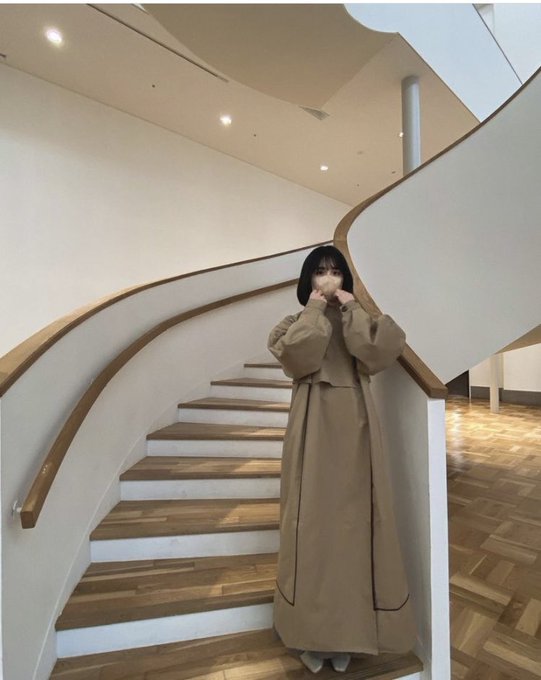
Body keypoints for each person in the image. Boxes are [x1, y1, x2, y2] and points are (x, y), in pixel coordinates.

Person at [267, 245, 417, 673]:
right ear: (308, 279)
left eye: (335, 272)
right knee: (310, 526)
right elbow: (298, 357)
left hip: (356, 427)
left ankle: (349, 633)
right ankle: (309, 634)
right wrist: (316, 310)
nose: (328, 279)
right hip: (312, 426)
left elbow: (381, 351)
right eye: (320, 272)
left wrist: (352, 307)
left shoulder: (357, 317)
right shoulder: (294, 322)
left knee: (355, 528)